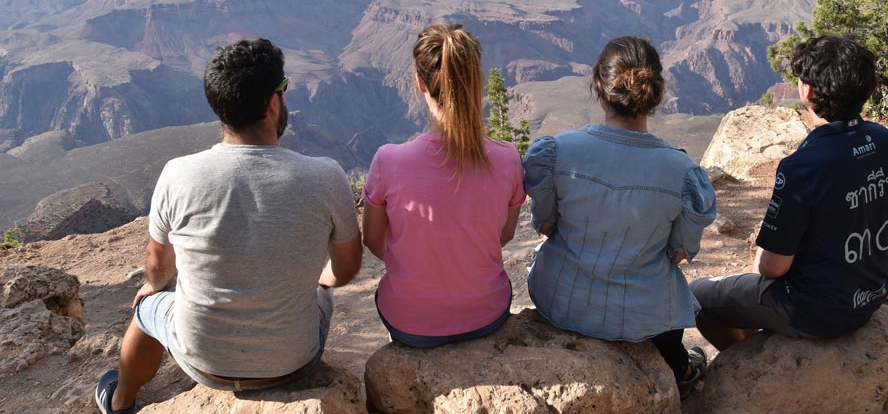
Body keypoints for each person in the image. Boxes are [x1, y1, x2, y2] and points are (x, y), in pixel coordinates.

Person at [95, 38, 362, 414]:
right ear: (273, 103)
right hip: (294, 363)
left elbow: (157, 265)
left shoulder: (177, 174)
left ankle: (119, 401)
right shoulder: (325, 176)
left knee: (147, 307)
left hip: (201, 363)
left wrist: (154, 287)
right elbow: (347, 269)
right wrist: (321, 281)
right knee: (321, 292)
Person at [522, 36, 717, 398]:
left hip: (560, 300)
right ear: (656, 95)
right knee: (667, 294)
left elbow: (546, 224)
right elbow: (679, 251)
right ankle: (682, 368)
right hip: (644, 316)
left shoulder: (556, 151)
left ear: (599, 87)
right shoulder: (682, 173)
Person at [691, 35, 888, 350]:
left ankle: (741, 366)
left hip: (813, 311)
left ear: (808, 91)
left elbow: (773, 268)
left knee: (697, 298)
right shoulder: (883, 140)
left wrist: (760, 264)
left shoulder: (803, 166)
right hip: (869, 294)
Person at [361, 23, 525, 347]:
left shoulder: (388, 161)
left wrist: (415, 259)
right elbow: (503, 235)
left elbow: (373, 240)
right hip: (486, 314)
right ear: (476, 82)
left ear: (419, 82)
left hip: (409, 321)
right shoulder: (507, 159)